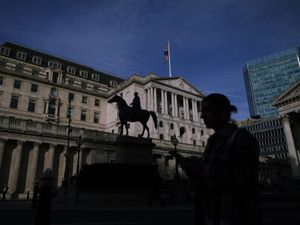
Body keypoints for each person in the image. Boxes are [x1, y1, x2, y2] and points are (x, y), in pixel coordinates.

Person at [170, 93, 262, 225]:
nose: (201, 116)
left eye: (206, 111)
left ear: (222, 111)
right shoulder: (212, 141)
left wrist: (202, 168)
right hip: (214, 217)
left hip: (237, 217)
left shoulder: (241, 137)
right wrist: (192, 170)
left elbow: (243, 179)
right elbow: (207, 182)